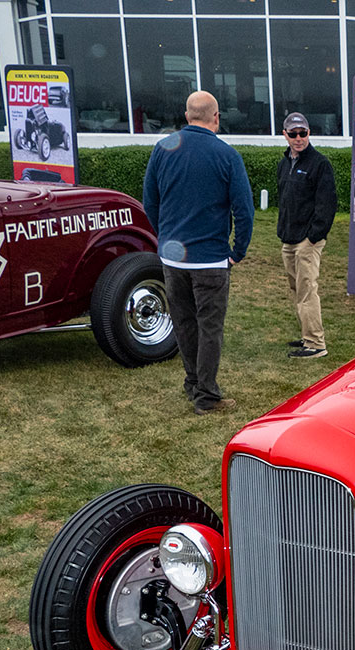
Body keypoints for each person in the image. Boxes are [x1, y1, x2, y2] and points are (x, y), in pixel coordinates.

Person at [142, 90, 252, 415]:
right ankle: (206, 394)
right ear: (215, 117)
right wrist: (238, 251)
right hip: (211, 259)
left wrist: (165, 237)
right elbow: (244, 210)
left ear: (187, 115)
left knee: (184, 322)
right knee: (209, 327)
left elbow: (150, 201)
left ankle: (193, 383)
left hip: (173, 258)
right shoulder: (226, 155)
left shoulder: (163, 148)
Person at [277, 111, 337, 359]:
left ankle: (315, 344)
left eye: (303, 133)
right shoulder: (284, 163)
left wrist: (313, 236)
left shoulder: (319, 164)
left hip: (307, 241)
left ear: (309, 133)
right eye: (293, 134)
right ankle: (307, 335)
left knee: (306, 290)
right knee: (297, 289)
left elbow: (327, 203)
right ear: (285, 135)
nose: (298, 138)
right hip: (288, 238)